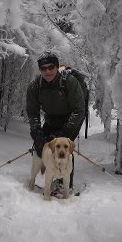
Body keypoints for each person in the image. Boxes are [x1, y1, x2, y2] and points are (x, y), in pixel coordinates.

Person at [26, 53, 85, 193]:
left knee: (64, 148)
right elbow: (32, 112)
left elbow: (79, 110)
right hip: (51, 118)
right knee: (42, 146)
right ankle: (49, 174)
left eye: (51, 67)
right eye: (43, 68)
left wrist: (65, 132)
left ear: (57, 67)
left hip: (71, 119)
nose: (47, 71)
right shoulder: (35, 86)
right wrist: (36, 133)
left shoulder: (69, 82)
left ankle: (64, 184)